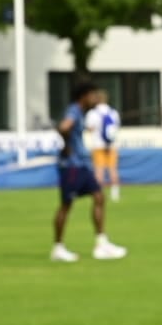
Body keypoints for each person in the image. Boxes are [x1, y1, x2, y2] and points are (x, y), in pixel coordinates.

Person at [52, 79, 126, 263]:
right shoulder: (74, 111)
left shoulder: (80, 112)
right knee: (66, 205)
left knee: (99, 196)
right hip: (72, 166)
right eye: (92, 95)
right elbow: (64, 127)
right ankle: (58, 248)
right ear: (83, 96)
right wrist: (67, 147)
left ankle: (102, 243)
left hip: (80, 165)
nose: (95, 98)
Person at [84, 92, 122, 201]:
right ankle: (115, 194)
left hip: (98, 145)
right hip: (112, 145)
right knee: (113, 169)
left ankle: (98, 192)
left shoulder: (92, 113)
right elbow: (116, 127)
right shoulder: (113, 112)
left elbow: (89, 128)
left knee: (99, 170)